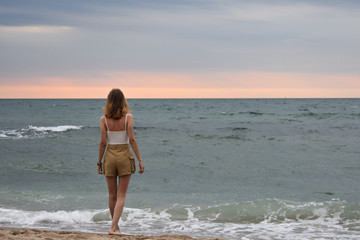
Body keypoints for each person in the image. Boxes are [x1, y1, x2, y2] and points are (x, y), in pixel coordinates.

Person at [97, 88, 144, 235]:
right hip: (124, 156)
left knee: (112, 195)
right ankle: (113, 227)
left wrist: (99, 162)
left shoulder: (103, 119)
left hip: (110, 156)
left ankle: (115, 226)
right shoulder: (128, 118)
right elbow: (131, 139)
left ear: (108, 102)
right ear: (123, 101)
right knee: (121, 195)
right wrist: (140, 160)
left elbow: (103, 143)